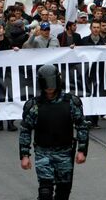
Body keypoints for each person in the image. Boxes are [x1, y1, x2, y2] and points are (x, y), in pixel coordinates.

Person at [19, 65, 89, 200]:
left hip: (65, 152)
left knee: (63, 192)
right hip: (43, 152)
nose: (50, 87)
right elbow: (25, 131)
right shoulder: (34, 105)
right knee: (45, 192)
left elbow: (81, 126)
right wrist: (24, 155)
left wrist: (82, 150)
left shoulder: (70, 102)